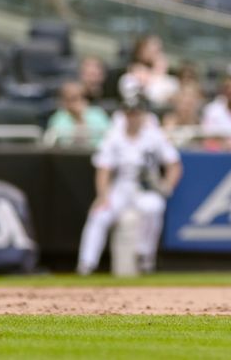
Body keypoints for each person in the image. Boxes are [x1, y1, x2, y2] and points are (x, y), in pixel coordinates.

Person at [77, 95, 182, 275]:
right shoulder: (114, 136)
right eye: (129, 113)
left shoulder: (154, 135)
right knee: (99, 215)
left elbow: (174, 164)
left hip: (146, 187)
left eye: (136, 113)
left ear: (142, 114)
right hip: (121, 186)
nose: (133, 117)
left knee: (154, 207)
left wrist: (167, 185)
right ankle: (86, 264)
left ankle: (145, 257)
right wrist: (102, 196)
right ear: (124, 115)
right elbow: (103, 169)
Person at [46, 81, 111, 148]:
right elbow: (61, 143)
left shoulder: (98, 114)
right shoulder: (58, 117)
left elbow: (106, 139)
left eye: (79, 97)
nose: (75, 103)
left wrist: (81, 118)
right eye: (71, 99)